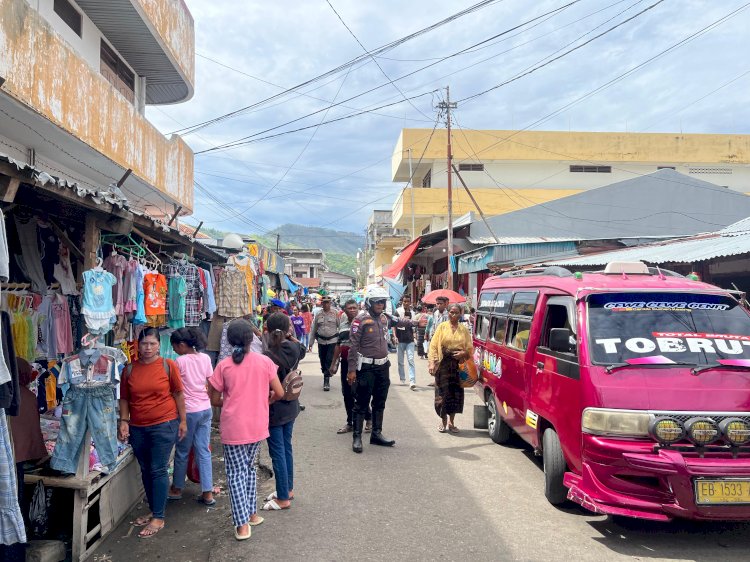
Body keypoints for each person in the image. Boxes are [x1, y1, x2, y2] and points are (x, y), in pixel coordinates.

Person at [208, 320, 284, 540]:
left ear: (229, 341)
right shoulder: (264, 362)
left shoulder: (223, 365)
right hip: (257, 424)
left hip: (234, 427)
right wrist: (262, 400)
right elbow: (278, 392)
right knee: (249, 470)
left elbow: (214, 399)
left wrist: (233, 402)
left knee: (235, 474)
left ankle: (242, 524)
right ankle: (250, 515)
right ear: (253, 339)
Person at [119, 327, 187, 538]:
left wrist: (183, 421)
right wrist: (124, 421)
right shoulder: (129, 369)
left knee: (158, 469)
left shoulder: (169, 366)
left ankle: (159, 517)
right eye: (144, 344)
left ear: (159, 346)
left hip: (164, 424)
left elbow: (178, 394)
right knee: (146, 469)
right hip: (138, 427)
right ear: (138, 345)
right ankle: (154, 509)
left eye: (152, 344)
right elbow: (124, 399)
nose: (147, 348)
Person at [347, 286, 415, 453]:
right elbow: (353, 347)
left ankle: (376, 434)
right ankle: (357, 437)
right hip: (366, 368)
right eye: (377, 301)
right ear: (369, 302)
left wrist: (415, 321)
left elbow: (400, 321)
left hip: (383, 367)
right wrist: (351, 370)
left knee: (380, 401)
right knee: (361, 403)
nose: (381, 304)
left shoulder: (385, 318)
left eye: (383, 301)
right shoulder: (360, 320)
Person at [262, 313, 305, 511]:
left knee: (277, 452)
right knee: (286, 448)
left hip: (274, 409)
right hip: (291, 404)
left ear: (267, 330)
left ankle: (282, 498)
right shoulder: (295, 348)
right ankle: (286, 489)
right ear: (288, 329)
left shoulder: (267, 356)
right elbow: (303, 349)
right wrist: (290, 336)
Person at [168, 327, 215, 506]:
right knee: (204, 451)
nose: (173, 350)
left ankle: (177, 488)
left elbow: (175, 389)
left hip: (188, 411)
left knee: (182, 451)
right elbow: (210, 382)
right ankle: (208, 492)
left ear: (181, 345)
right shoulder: (205, 358)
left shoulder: (179, 361)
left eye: (174, 346)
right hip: (205, 408)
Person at [428, 304, 474, 434]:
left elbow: (470, 348)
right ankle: (443, 421)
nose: (453, 315)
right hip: (443, 365)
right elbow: (433, 346)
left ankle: (451, 423)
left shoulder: (464, 329)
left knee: (455, 394)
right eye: (451, 312)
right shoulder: (441, 327)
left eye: (456, 312)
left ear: (460, 314)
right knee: (442, 394)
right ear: (448, 313)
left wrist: (463, 354)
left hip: (457, 366)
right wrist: (432, 363)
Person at [330, 299, 371, 434]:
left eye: (354, 308)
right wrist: (334, 363)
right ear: (345, 310)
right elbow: (338, 344)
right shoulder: (342, 325)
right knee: (347, 393)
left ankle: (368, 417)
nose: (352, 310)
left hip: (361, 364)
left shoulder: (364, 323)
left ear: (358, 308)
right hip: (346, 363)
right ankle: (350, 422)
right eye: (349, 308)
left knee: (359, 392)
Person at [308, 295, 340, 391]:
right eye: (324, 302)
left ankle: (326, 380)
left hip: (332, 341)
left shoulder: (335, 313)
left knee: (329, 360)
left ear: (330, 303)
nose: (326, 304)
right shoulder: (318, 314)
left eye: (327, 302)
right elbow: (314, 328)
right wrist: (311, 342)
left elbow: (340, 326)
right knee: (322, 360)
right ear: (322, 304)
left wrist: (341, 341)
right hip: (321, 341)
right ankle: (326, 372)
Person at [395, 296, 417, 390]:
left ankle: (412, 381)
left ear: (410, 302)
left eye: (408, 301)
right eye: (404, 301)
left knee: (411, 360)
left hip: (410, 340)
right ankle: (402, 378)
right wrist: (395, 336)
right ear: (402, 302)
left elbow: (414, 325)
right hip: (400, 340)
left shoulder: (413, 313)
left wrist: (415, 335)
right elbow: (393, 324)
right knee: (400, 361)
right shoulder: (398, 311)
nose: (406, 303)